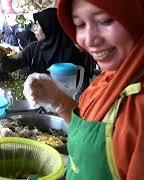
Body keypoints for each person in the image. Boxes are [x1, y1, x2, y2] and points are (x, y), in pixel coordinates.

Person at [23, 0, 144, 179]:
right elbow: (90, 133)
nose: (88, 39)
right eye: (79, 24)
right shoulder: (107, 78)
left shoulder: (139, 105)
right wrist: (57, 99)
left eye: (105, 20)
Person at [0, 8, 94, 100]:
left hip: (66, 105)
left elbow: (82, 86)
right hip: (38, 103)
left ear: (49, 27)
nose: (34, 29)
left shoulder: (73, 52)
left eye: (38, 25)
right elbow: (9, 65)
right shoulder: (33, 48)